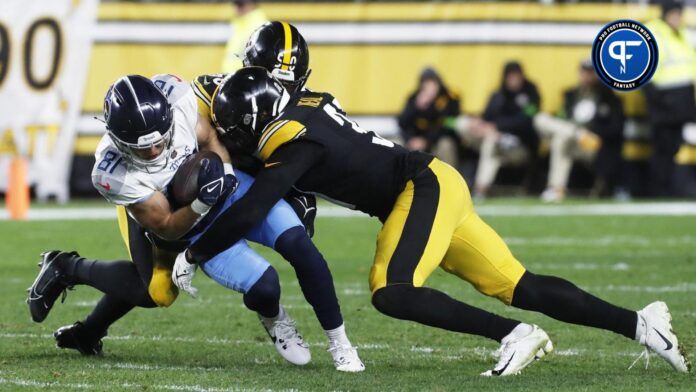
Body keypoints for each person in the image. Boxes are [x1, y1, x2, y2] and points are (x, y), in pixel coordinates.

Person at [173, 66, 689, 376]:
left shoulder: (293, 143)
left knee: (391, 289)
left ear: (255, 122)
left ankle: (515, 335)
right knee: (518, 283)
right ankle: (642, 324)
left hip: (420, 189)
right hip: (435, 182)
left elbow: (252, 207)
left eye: (234, 130)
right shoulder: (302, 104)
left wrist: (193, 252)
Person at [27, 73, 364, 372]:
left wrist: (227, 173)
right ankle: (69, 269)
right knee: (160, 291)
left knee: (298, 244)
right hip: (184, 220)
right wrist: (203, 200)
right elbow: (168, 225)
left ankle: (341, 342)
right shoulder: (114, 173)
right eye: (144, 149)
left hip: (226, 189)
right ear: (119, 141)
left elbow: (210, 140)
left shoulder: (181, 102)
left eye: (162, 139)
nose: (156, 151)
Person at [534, 59, 625, 202]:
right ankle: (557, 189)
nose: (587, 76)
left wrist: (597, 133)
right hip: (575, 139)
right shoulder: (570, 95)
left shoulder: (609, 97)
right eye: (584, 72)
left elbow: (616, 128)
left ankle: (555, 188)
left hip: (594, 145)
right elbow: (562, 117)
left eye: (591, 73)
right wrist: (577, 132)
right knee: (541, 120)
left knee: (562, 138)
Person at [465, 61, 540, 198]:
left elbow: (528, 120)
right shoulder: (498, 95)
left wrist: (498, 127)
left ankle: (481, 189)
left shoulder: (530, 93)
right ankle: (481, 189)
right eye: (510, 76)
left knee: (492, 141)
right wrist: (481, 124)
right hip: (496, 141)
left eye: (516, 76)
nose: (513, 80)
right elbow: (487, 118)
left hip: (521, 146)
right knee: (487, 141)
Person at [644, 0, 696, 196]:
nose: (678, 18)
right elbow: (644, 71)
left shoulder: (681, 33)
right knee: (662, 149)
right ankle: (657, 191)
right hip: (662, 100)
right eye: (674, 14)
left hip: (682, 101)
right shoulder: (654, 32)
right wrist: (658, 99)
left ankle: (666, 189)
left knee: (673, 148)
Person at [397, 67, 461, 167]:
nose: (429, 86)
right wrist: (416, 106)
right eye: (426, 83)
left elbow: (447, 125)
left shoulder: (449, 98)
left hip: (437, 139)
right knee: (397, 144)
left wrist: (427, 141)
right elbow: (403, 123)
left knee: (446, 145)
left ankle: (450, 178)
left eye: (432, 82)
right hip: (417, 138)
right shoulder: (414, 98)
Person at [221, 0, 268, 73]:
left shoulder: (260, 27)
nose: (236, 9)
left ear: (252, 4)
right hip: (233, 79)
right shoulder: (239, 26)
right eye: (235, 4)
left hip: (247, 80)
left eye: (240, 5)